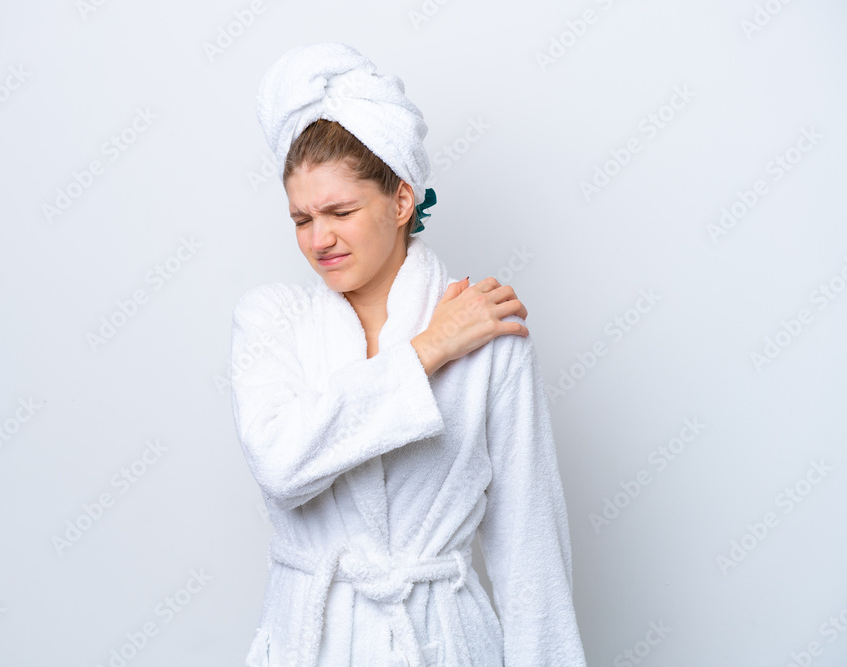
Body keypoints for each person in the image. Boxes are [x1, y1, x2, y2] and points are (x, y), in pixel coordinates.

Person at [230, 42, 587, 666]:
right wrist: (429, 349)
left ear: (401, 201)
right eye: (301, 219)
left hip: (441, 643)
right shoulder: (272, 319)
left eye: (340, 211)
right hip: (309, 644)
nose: (320, 240)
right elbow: (281, 464)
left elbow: (530, 550)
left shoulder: (488, 337)